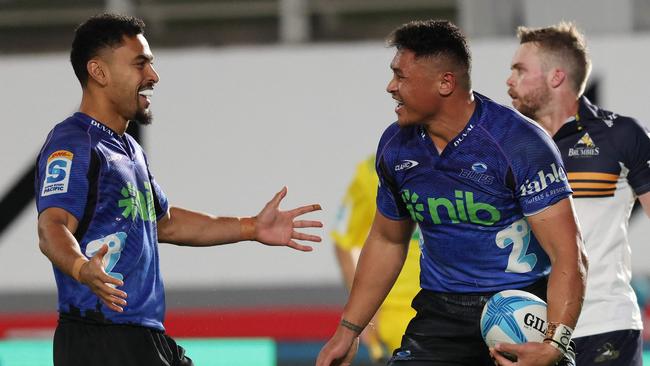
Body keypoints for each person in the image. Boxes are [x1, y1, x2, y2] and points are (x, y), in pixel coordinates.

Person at [34, 13, 322, 366]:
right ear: (99, 72)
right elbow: (51, 227)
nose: (152, 76)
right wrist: (81, 268)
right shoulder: (75, 142)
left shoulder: (127, 148)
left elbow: (165, 223)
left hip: (141, 336)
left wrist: (250, 227)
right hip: (101, 337)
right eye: (140, 64)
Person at [316, 19, 588, 366]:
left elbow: (569, 253)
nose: (390, 87)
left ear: (446, 83)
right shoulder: (395, 148)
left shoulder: (519, 143)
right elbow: (388, 240)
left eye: (401, 77)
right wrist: (348, 330)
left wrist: (554, 344)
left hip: (523, 310)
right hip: (441, 314)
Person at [507, 22, 650, 366]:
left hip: (605, 326)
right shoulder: (504, 147)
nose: (509, 81)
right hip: (526, 331)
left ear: (556, 77)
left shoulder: (622, 135)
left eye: (520, 71)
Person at [331, 154, 421, 364]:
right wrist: (364, 312)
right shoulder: (373, 170)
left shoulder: (468, 160)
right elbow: (344, 243)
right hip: (397, 314)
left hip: (461, 304)